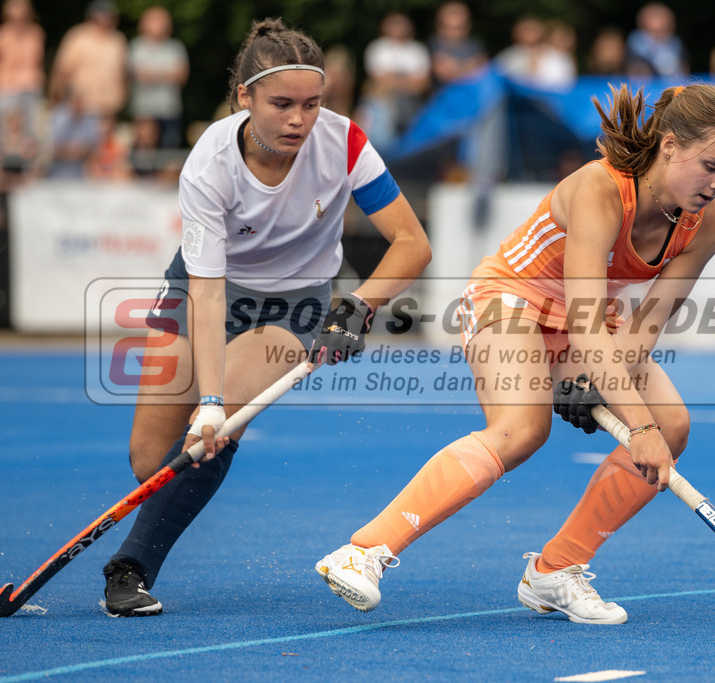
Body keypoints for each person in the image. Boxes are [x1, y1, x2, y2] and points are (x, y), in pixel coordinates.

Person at [317, 83, 715, 624]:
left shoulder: (710, 222)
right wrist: (637, 427)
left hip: (588, 319)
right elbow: (587, 324)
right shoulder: (599, 188)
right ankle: (363, 551)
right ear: (669, 146)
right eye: (711, 166)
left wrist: (623, 401)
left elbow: (649, 321)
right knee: (522, 428)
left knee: (673, 425)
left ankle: (556, 570)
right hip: (511, 297)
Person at [100, 17, 431, 617]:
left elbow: (412, 243)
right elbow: (206, 290)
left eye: (312, 104)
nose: (299, 120)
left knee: (213, 432)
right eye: (282, 104)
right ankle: (198, 444)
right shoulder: (209, 162)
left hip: (295, 304)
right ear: (244, 97)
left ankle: (129, 567)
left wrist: (357, 305)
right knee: (154, 463)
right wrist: (206, 398)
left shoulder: (345, 143)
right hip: (204, 288)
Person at [357, 12, 432, 156]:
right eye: (394, 23)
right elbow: (379, 80)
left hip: (412, 103)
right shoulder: (378, 48)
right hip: (384, 100)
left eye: (401, 23)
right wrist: (409, 80)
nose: (398, 28)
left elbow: (422, 84)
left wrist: (392, 79)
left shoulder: (418, 50)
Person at [49, 0, 128, 119]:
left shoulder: (118, 40)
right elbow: (62, 70)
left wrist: (120, 100)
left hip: (108, 108)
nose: (104, 20)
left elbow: (123, 75)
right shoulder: (77, 37)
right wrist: (56, 97)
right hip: (79, 108)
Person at [128, 5, 188, 149]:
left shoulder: (176, 47)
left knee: (169, 150)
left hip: (169, 109)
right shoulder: (136, 47)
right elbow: (139, 75)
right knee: (144, 151)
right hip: (143, 111)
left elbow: (181, 76)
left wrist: (153, 75)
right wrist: (167, 74)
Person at [0, 0, 46, 149]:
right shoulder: (0, 35)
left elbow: (38, 61)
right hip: (6, 89)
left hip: (31, 87)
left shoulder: (36, 33)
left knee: (32, 137)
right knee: (5, 138)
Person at [427, 2, 487, 88]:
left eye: (460, 27)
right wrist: (468, 67)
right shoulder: (433, 44)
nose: (455, 33)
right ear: (439, 27)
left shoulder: (475, 44)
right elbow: (443, 72)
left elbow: (484, 71)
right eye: (449, 28)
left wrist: (456, 68)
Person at [625, 3, 688, 80]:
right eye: (654, 17)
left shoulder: (675, 42)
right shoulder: (636, 42)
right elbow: (636, 72)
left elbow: (684, 69)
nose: (658, 22)